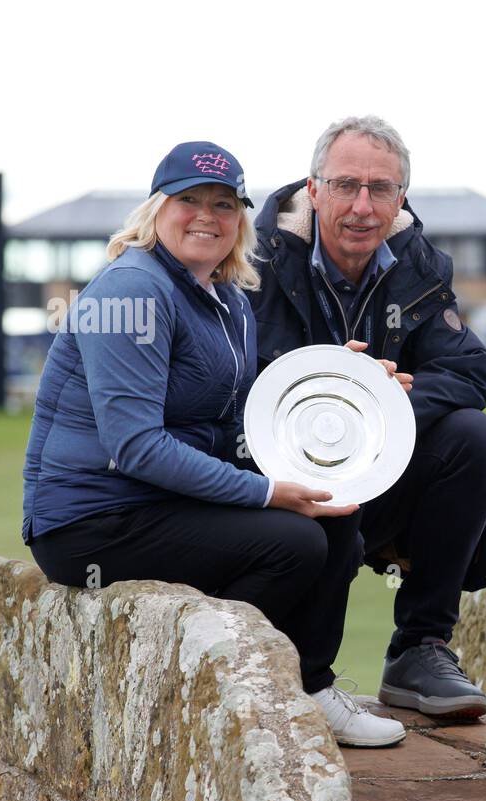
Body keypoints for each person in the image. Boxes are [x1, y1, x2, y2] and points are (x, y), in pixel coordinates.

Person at [23, 141, 412, 748]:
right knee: (292, 542)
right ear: (157, 210)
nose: (207, 216)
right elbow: (136, 448)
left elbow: (239, 422)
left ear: (240, 220)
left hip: (159, 504)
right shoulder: (131, 290)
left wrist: (333, 382)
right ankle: (204, 700)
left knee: (337, 520)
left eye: (224, 204)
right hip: (91, 520)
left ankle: (308, 690)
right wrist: (265, 493)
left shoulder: (229, 299)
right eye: (189, 201)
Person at [248, 116, 486, 729]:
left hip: (380, 479)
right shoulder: (253, 260)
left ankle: (420, 649)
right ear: (313, 189)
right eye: (345, 186)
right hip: (273, 478)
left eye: (380, 189)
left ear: (400, 200)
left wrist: (382, 402)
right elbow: (229, 383)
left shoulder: (419, 261)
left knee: (475, 438)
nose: (362, 206)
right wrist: (334, 406)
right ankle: (312, 678)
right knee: (332, 461)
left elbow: (469, 370)